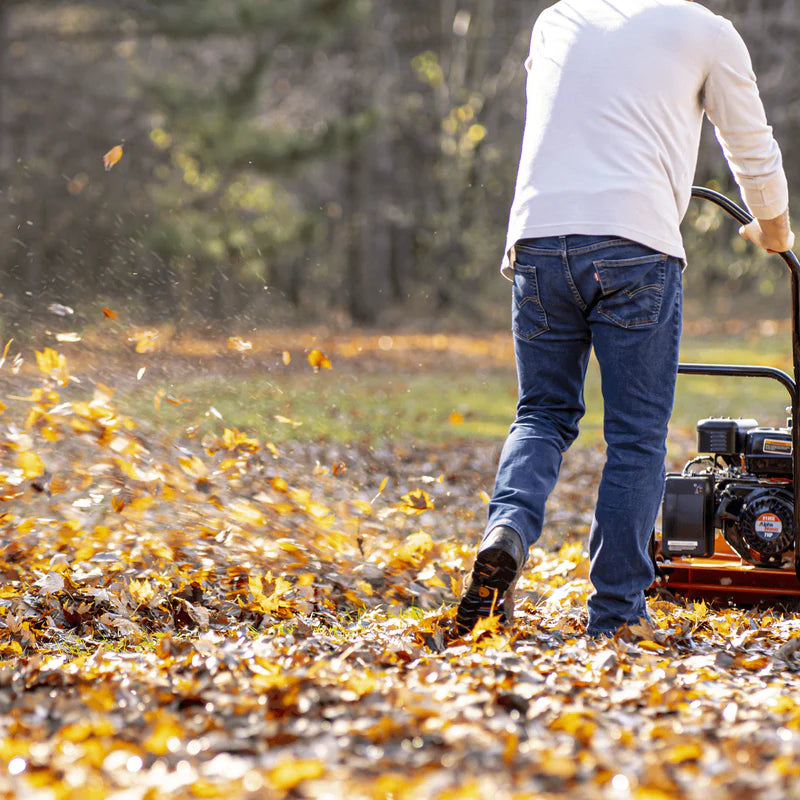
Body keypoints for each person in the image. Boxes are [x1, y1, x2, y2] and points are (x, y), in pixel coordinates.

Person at [456, 0, 794, 638]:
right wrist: (774, 228)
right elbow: (752, 144)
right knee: (637, 436)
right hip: (635, 244)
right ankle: (615, 615)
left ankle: (507, 530)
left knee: (542, 415)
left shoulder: (557, 20)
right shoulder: (705, 30)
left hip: (538, 238)